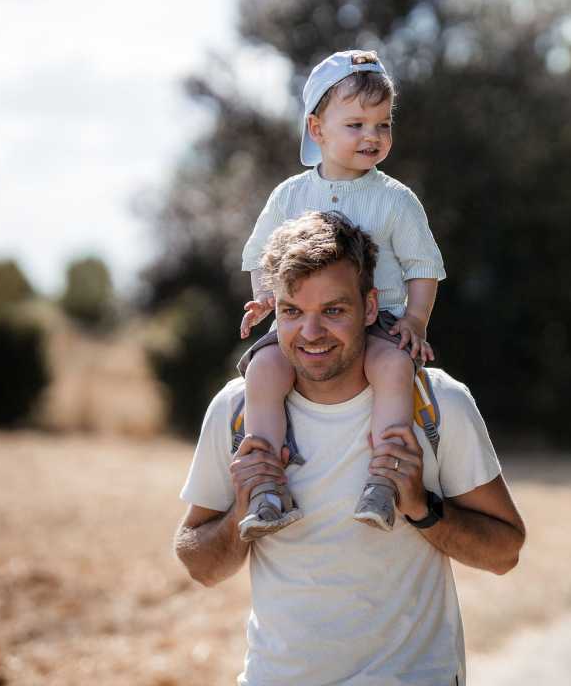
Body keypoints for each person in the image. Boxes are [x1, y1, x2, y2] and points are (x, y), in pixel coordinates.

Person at [174, 210, 525, 685]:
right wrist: (240, 515)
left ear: (371, 306)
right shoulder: (237, 411)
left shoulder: (436, 403)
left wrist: (421, 508)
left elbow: (504, 552)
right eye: (292, 312)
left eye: (334, 311)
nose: (311, 333)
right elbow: (198, 563)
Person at [237, 49, 445, 538]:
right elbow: (261, 255)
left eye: (382, 125)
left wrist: (414, 321)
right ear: (317, 130)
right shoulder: (289, 195)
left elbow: (423, 266)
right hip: (306, 323)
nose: (372, 137)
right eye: (356, 125)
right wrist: (268, 299)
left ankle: (384, 478)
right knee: (265, 370)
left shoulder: (395, 199)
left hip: (378, 323)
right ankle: (266, 486)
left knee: (393, 367)